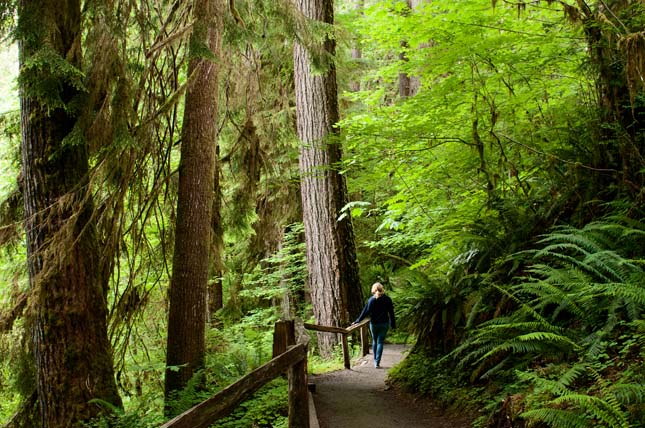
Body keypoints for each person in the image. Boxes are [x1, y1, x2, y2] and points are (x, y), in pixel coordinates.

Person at [352, 282, 395, 368]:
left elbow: (365, 312)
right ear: (382, 289)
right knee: (380, 342)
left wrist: (357, 321)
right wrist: (393, 323)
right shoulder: (387, 299)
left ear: (373, 290)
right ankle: (377, 363)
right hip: (384, 324)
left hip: (374, 324)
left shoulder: (371, 300)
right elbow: (391, 313)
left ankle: (375, 360)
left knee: (375, 341)